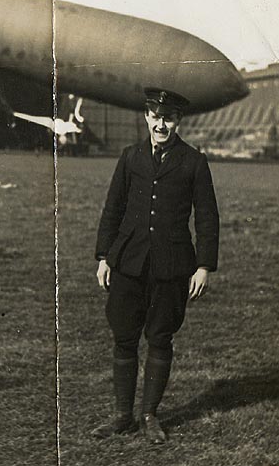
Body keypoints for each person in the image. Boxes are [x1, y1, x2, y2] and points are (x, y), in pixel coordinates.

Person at [92, 87, 220, 444]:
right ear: (146, 116)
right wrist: (104, 257)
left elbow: (207, 217)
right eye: (155, 116)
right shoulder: (130, 157)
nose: (161, 124)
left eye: (169, 118)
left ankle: (149, 415)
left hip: (172, 266)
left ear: (178, 121)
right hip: (128, 262)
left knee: (160, 338)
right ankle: (122, 417)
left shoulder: (194, 162)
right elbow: (112, 209)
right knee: (124, 337)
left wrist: (204, 266)